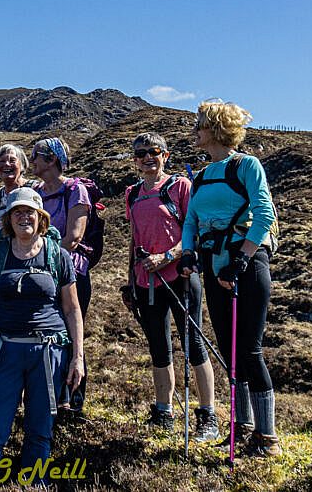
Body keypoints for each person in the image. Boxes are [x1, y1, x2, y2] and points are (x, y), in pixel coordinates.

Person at [0, 187, 84, 490]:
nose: (24, 217)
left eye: (30, 212)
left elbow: (72, 308)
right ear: (9, 219)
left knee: (40, 424)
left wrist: (77, 357)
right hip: (6, 348)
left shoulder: (57, 255)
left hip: (49, 351)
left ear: (40, 218)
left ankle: (34, 480)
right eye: (18, 212)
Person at [180, 101, 281, 457]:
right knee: (230, 351)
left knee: (249, 351)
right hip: (213, 265)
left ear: (216, 129)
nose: (196, 130)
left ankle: (267, 439)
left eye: (200, 125)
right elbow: (190, 220)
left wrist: (241, 259)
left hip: (247, 265)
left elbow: (264, 212)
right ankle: (242, 427)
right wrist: (189, 252)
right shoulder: (202, 176)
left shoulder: (246, 165)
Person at [125, 132, 218, 440]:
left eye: (154, 152)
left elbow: (195, 229)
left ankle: (207, 415)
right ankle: (163, 412)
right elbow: (133, 240)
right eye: (141, 154)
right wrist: (130, 282)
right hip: (146, 282)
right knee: (159, 349)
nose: (147, 157)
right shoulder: (132, 194)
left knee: (194, 346)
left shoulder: (180, 186)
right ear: (135, 160)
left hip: (181, 277)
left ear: (165, 155)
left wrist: (166, 256)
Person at [30, 137, 91, 415]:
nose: (32, 162)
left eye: (36, 156)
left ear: (52, 159)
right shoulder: (33, 191)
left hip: (69, 273)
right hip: (39, 274)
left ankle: (73, 399)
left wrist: (46, 259)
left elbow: (74, 237)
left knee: (71, 333)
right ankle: (50, 395)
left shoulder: (76, 190)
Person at [0, 143, 31, 233]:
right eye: (2, 161)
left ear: (22, 164)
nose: (7, 164)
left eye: (12, 160)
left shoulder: (34, 189)